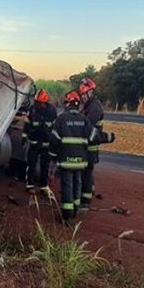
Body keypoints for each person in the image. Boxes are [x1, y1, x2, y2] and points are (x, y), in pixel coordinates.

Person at [49, 91, 93, 220]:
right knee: (77, 182)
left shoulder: (61, 119)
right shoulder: (84, 119)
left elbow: (54, 139)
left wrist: (53, 156)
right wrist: (109, 137)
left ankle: (67, 214)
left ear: (68, 104)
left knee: (67, 184)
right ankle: (75, 209)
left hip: (66, 160)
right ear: (78, 104)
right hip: (80, 161)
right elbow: (94, 136)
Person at [78, 77, 114, 207]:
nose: (83, 97)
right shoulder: (89, 105)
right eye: (81, 95)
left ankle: (86, 199)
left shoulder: (95, 107)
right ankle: (89, 191)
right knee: (87, 172)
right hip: (88, 144)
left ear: (90, 92)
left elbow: (87, 124)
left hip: (91, 146)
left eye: (84, 95)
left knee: (86, 171)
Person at [22, 89, 57, 192]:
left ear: (44, 103)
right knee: (31, 163)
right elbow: (27, 124)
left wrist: (54, 141)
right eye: (36, 102)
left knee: (45, 164)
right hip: (34, 141)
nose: (37, 104)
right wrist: (24, 137)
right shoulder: (32, 110)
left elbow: (55, 127)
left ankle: (43, 185)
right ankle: (30, 184)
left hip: (46, 143)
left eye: (39, 102)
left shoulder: (51, 111)